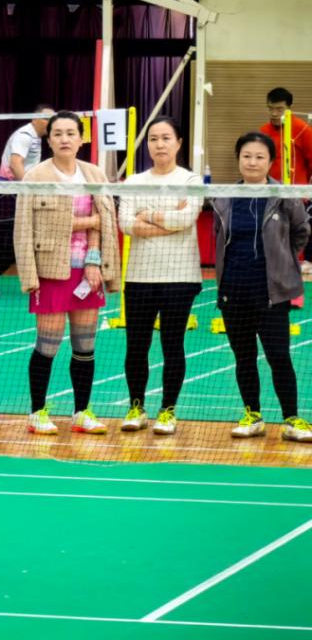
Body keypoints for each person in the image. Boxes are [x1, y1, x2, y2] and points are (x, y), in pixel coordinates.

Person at [14, 111, 120, 436]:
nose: (64, 139)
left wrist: (93, 260)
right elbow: (24, 228)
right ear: (49, 140)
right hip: (50, 272)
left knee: (85, 346)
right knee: (47, 344)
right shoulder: (35, 176)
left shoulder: (94, 173)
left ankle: (81, 413)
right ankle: (37, 413)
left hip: (87, 272)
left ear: (81, 138)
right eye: (57, 133)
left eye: (71, 133)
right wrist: (29, 277)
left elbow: (104, 220)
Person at [213, 132, 312, 442]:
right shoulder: (224, 197)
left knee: (278, 356)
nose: (252, 162)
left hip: (271, 292)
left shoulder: (284, 195)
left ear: (270, 162)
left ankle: (292, 419)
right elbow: (219, 235)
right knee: (243, 357)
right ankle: (252, 415)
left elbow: (301, 232)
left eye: (259, 157)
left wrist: (283, 260)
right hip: (233, 288)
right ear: (238, 160)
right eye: (246, 156)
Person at [117, 117, 203, 435]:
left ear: (178, 143)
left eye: (166, 138)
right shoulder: (134, 182)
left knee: (172, 344)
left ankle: (167, 411)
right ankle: (136, 407)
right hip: (139, 277)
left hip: (180, 277)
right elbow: (126, 223)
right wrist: (169, 220)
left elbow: (187, 218)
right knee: (136, 346)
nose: (159, 144)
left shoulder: (190, 179)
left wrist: (149, 215)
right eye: (153, 139)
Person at [0, 105, 56, 295]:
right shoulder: (25, 136)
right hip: (10, 193)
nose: (50, 123)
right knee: (10, 239)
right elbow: (15, 163)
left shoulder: (35, 137)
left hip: (15, 192)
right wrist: (28, 190)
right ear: (34, 118)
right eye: (46, 119)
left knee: (16, 239)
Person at [260, 87, 312, 186]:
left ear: (290, 107)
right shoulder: (263, 131)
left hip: (298, 191)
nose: (274, 114)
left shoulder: (303, 130)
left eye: (279, 109)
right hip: (270, 190)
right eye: (270, 108)